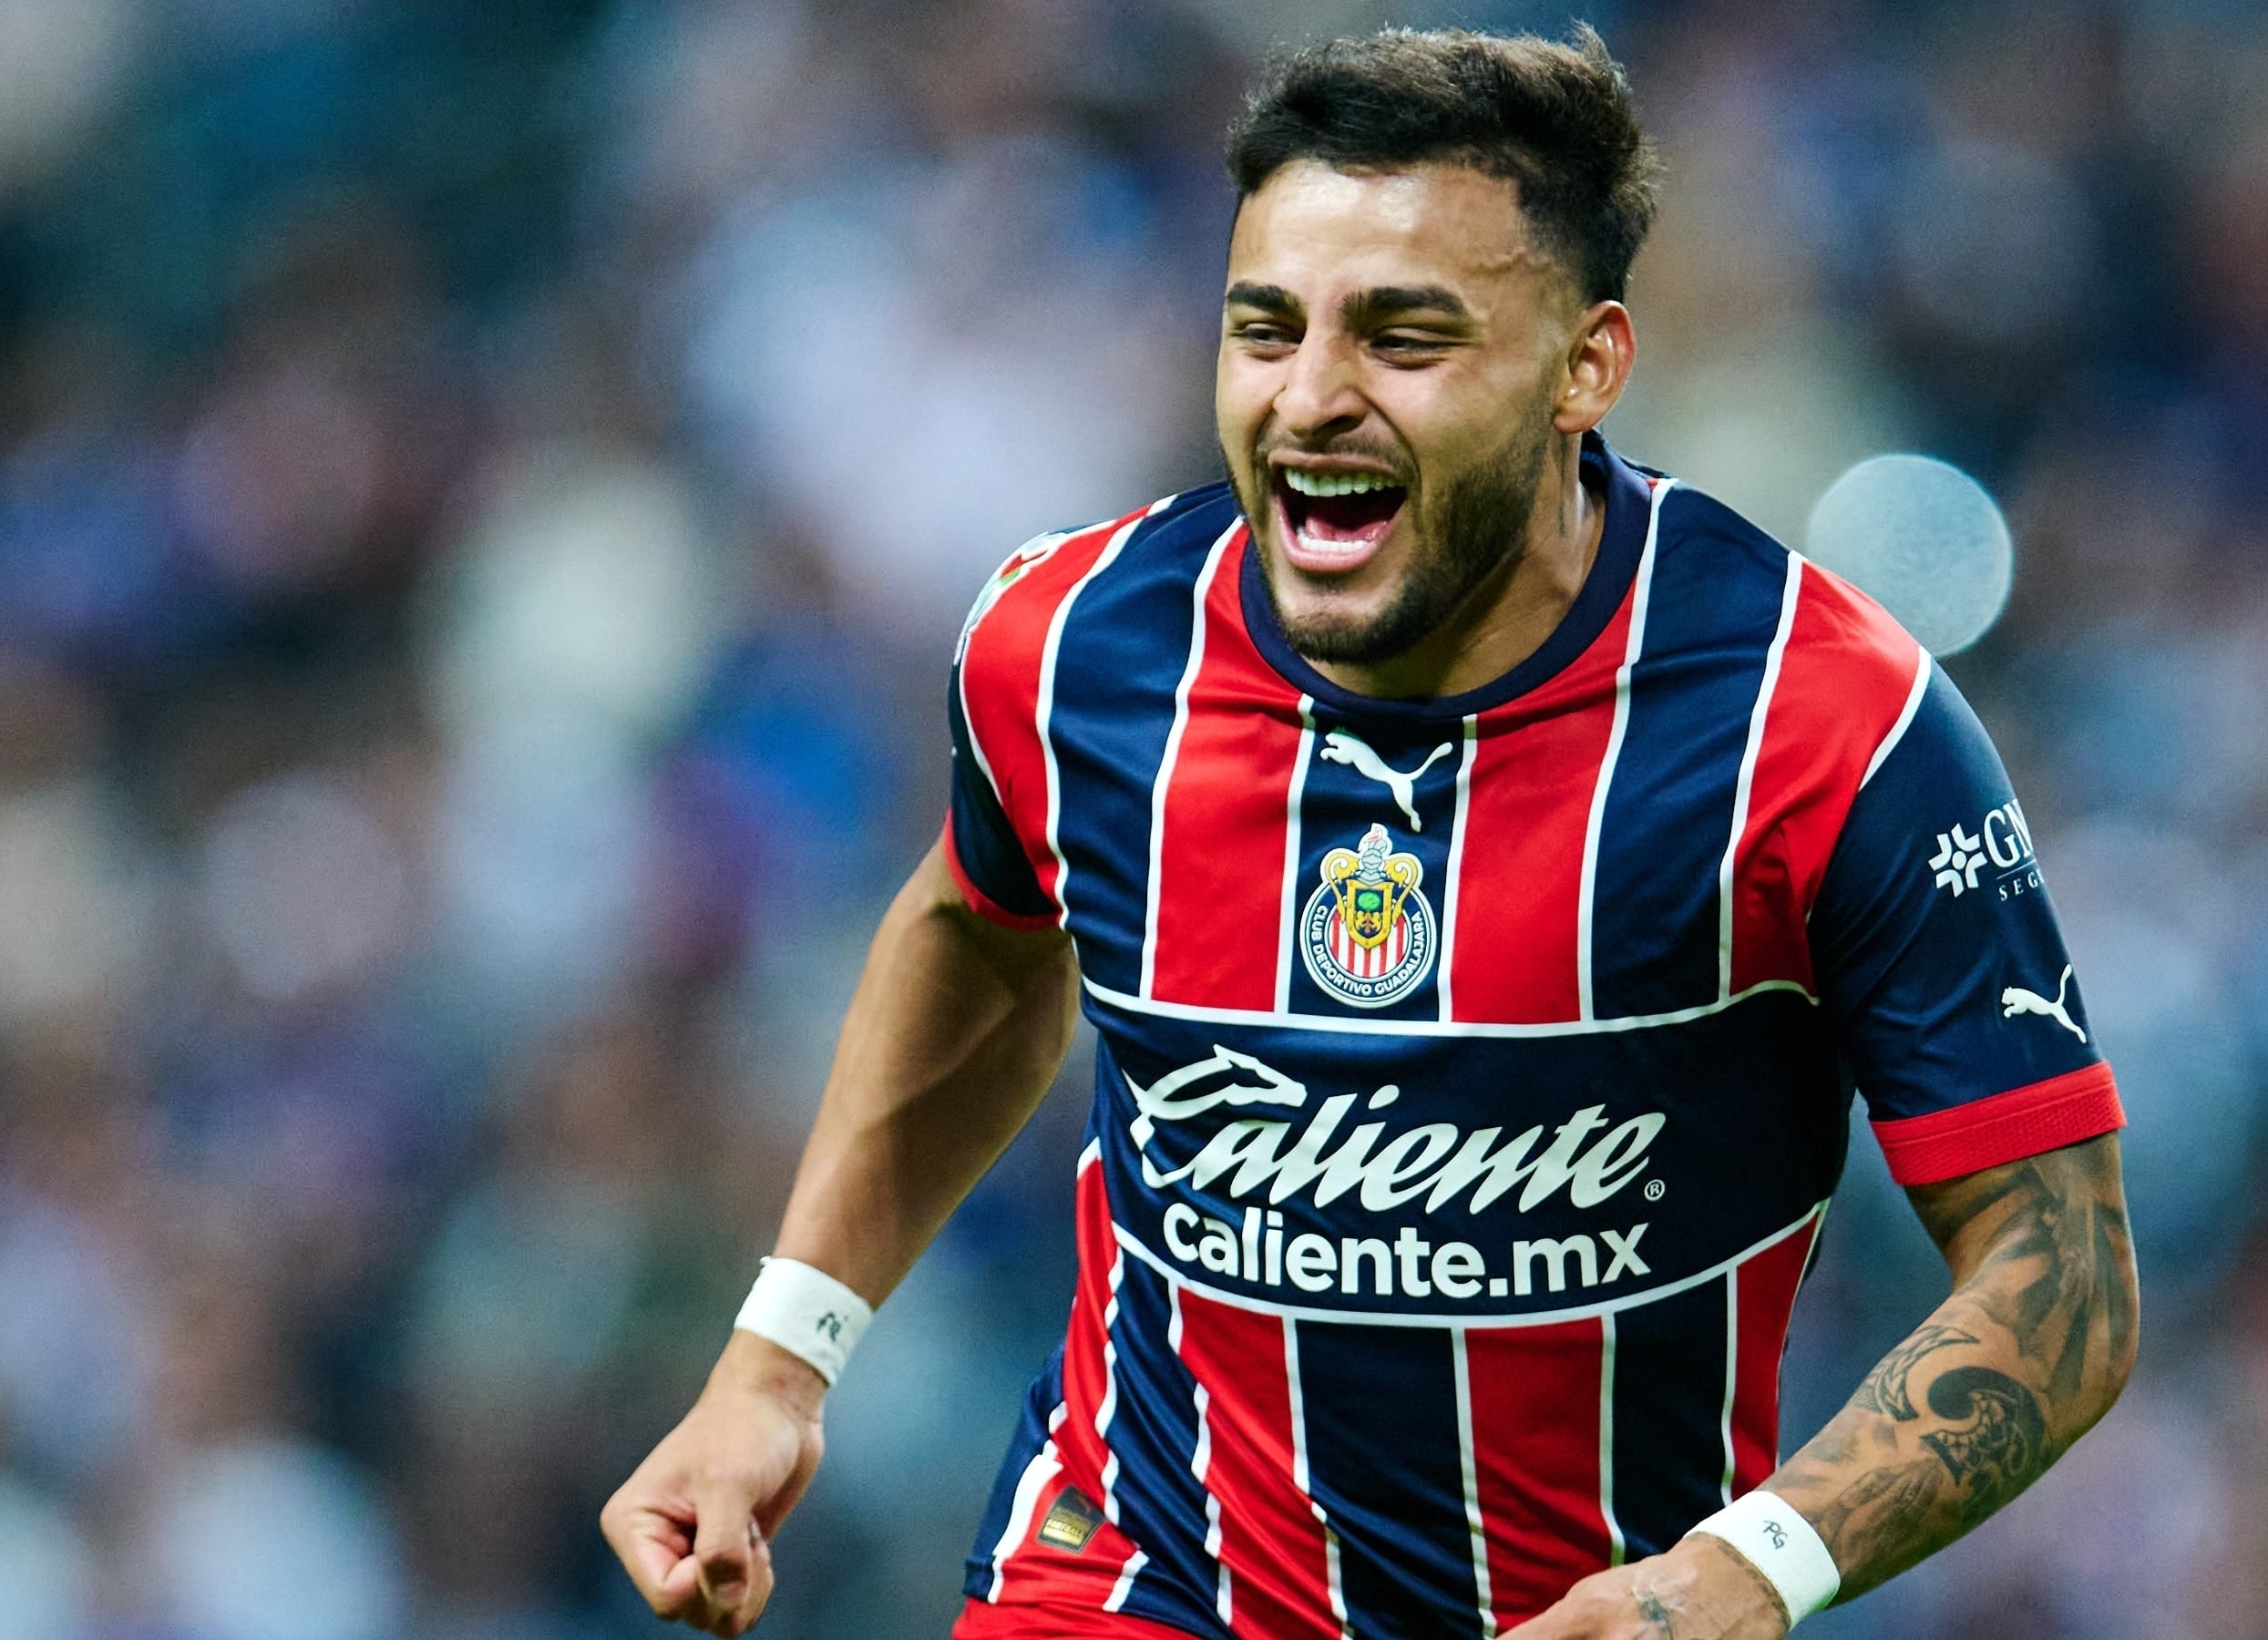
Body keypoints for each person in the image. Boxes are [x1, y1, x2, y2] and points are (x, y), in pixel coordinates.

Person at [601, 26, 2136, 1640]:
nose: (1312, 398)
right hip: (1132, 1577)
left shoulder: (1825, 726)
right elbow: (981, 939)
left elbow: (2066, 1279)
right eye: (1264, 329)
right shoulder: (1074, 648)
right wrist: (778, 1362)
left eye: (1405, 336)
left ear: (1586, 366)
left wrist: (1735, 1579)